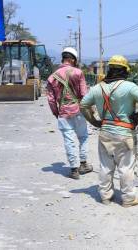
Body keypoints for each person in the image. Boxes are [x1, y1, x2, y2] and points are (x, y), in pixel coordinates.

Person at [80, 55, 138, 207]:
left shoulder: (97, 88)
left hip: (105, 132)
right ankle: (128, 199)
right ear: (125, 70)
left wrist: (94, 122)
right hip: (125, 133)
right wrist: (137, 117)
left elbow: (83, 105)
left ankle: (105, 197)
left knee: (106, 166)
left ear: (109, 70)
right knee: (126, 167)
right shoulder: (129, 87)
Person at [46, 47, 92, 180]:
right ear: (73, 59)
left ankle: (73, 170)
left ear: (63, 59)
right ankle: (83, 164)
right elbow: (84, 94)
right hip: (78, 110)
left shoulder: (52, 77)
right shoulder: (78, 73)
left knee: (69, 140)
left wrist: (56, 113)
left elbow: (51, 99)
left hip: (63, 113)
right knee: (83, 137)